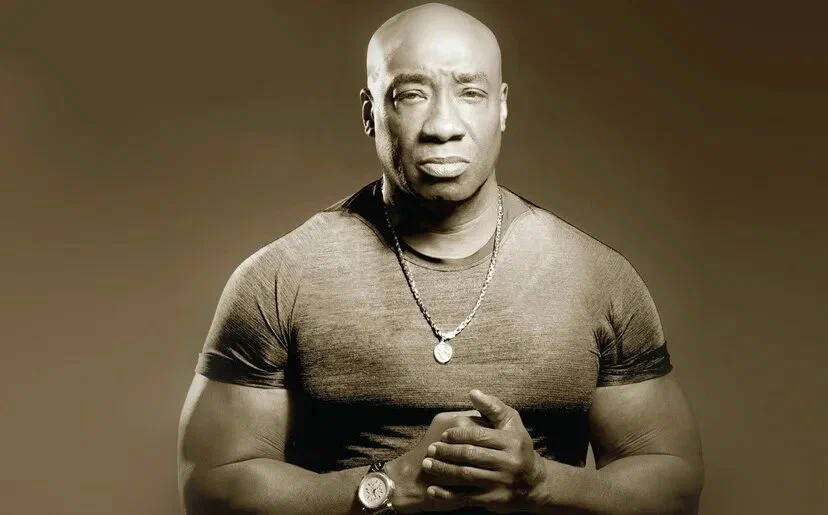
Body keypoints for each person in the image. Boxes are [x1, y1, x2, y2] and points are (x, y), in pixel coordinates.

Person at [177, 3, 704, 514]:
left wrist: (543, 484)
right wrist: (390, 485)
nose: (442, 125)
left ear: (501, 106)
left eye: (470, 92)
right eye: (411, 95)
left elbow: (673, 485)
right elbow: (210, 487)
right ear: (370, 112)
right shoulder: (281, 277)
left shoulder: (596, 277)